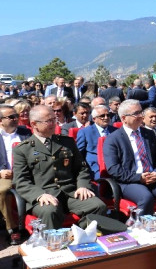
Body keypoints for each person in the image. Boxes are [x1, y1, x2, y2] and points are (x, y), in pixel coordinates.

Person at [103, 100, 156, 252]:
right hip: (129, 181)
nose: (141, 116)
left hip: (152, 177)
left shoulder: (148, 134)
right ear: (123, 118)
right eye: (136, 114)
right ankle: (141, 240)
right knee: (145, 198)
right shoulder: (113, 139)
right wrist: (139, 178)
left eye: (141, 112)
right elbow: (114, 169)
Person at [13, 105, 107, 229]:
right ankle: (52, 244)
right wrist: (39, 195)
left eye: (54, 119)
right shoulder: (23, 149)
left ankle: (79, 235)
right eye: (49, 121)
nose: (54, 124)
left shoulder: (66, 142)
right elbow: (21, 181)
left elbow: (81, 168)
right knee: (50, 211)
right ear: (34, 124)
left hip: (70, 192)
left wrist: (83, 185)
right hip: (45, 195)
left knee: (97, 206)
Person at [0, 105, 31, 244]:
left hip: (26, 172)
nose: (16, 119)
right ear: (1, 120)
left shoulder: (26, 133)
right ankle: (12, 229)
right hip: (5, 174)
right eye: (11, 117)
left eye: (16, 116)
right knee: (4, 190)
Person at [76, 104, 116, 180]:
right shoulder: (85, 132)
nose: (106, 118)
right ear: (94, 119)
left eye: (108, 115)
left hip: (114, 164)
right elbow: (79, 154)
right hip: (95, 166)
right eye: (102, 116)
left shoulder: (115, 131)